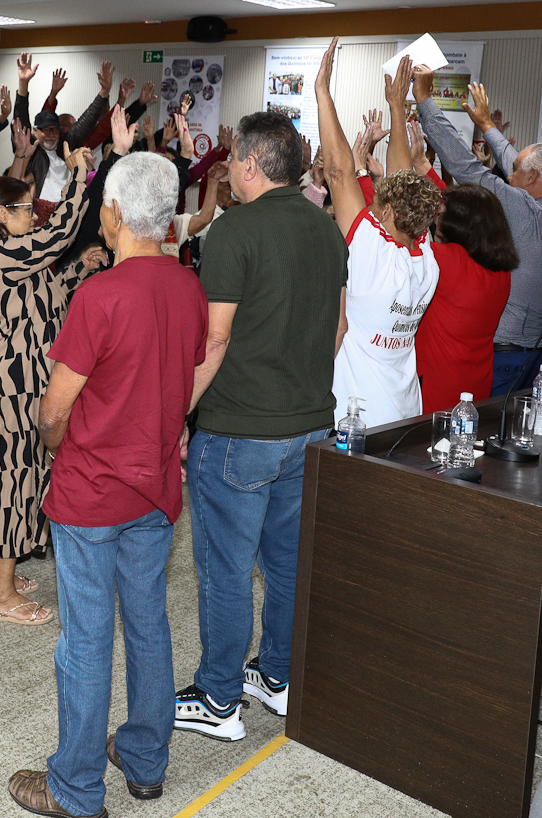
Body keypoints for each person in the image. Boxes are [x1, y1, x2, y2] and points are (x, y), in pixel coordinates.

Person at [7, 152, 206, 818]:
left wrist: (60, 444)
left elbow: (52, 410)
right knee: (148, 622)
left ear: (116, 215)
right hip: (154, 489)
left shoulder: (99, 295)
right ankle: (146, 760)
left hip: (92, 493)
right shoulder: (188, 287)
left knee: (86, 639)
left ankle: (76, 787)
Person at [177, 108, 347, 742]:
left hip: (239, 428)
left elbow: (215, 341)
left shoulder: (231, 232)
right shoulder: (329, 230)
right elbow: (337, 330)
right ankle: (275, 676)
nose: (229, 172)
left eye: (233, 162)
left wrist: (175, 416)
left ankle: (219, 699)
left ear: (249, 164)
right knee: (284, 560)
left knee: (224, 568)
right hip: (309, 425)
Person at [0, 150, 106, 625]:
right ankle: (0, 597)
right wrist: (80, 179)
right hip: (11, 386)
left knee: (4, 477)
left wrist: (78, 267)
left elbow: (46, 295)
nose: (34, 215)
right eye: (26, 208)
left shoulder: (11, 260)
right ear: (1, 216)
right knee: (9, 483)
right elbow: (60, 232)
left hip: (19, 382)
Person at [417, 75, 542, 395]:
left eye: (516, 171)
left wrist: (424, 101)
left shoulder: (525, 211)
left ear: (532, 177)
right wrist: (488, 126)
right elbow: (514, 160)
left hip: (506, 356)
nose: (508, 174)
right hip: (540, 354)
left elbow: (465, 166)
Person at [315, 43, 441, 426]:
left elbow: (337, 173)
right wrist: (397, 108)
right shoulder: (426, 256)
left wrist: (323, 92)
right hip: (404, 407)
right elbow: (403, 178)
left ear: (387, 212)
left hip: (359, 414)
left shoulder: (374, 253)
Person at [415, 185, 519, 412]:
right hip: (475, 385)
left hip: (438, 385)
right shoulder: (502, 273)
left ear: (458, 221)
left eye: (441, 213)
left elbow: (402, 232)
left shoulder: (447, 260)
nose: (436, 216)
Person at [12, 56, 113, 220]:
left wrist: (104, 92)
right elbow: (21, 119)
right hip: (37, 214)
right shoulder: (31, 151)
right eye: (46, 130)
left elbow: (86, 122)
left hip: (64, 214)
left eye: (55, 130)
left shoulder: (65, 147)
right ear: (36, 132)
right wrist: (23, 84)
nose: (51, 135)